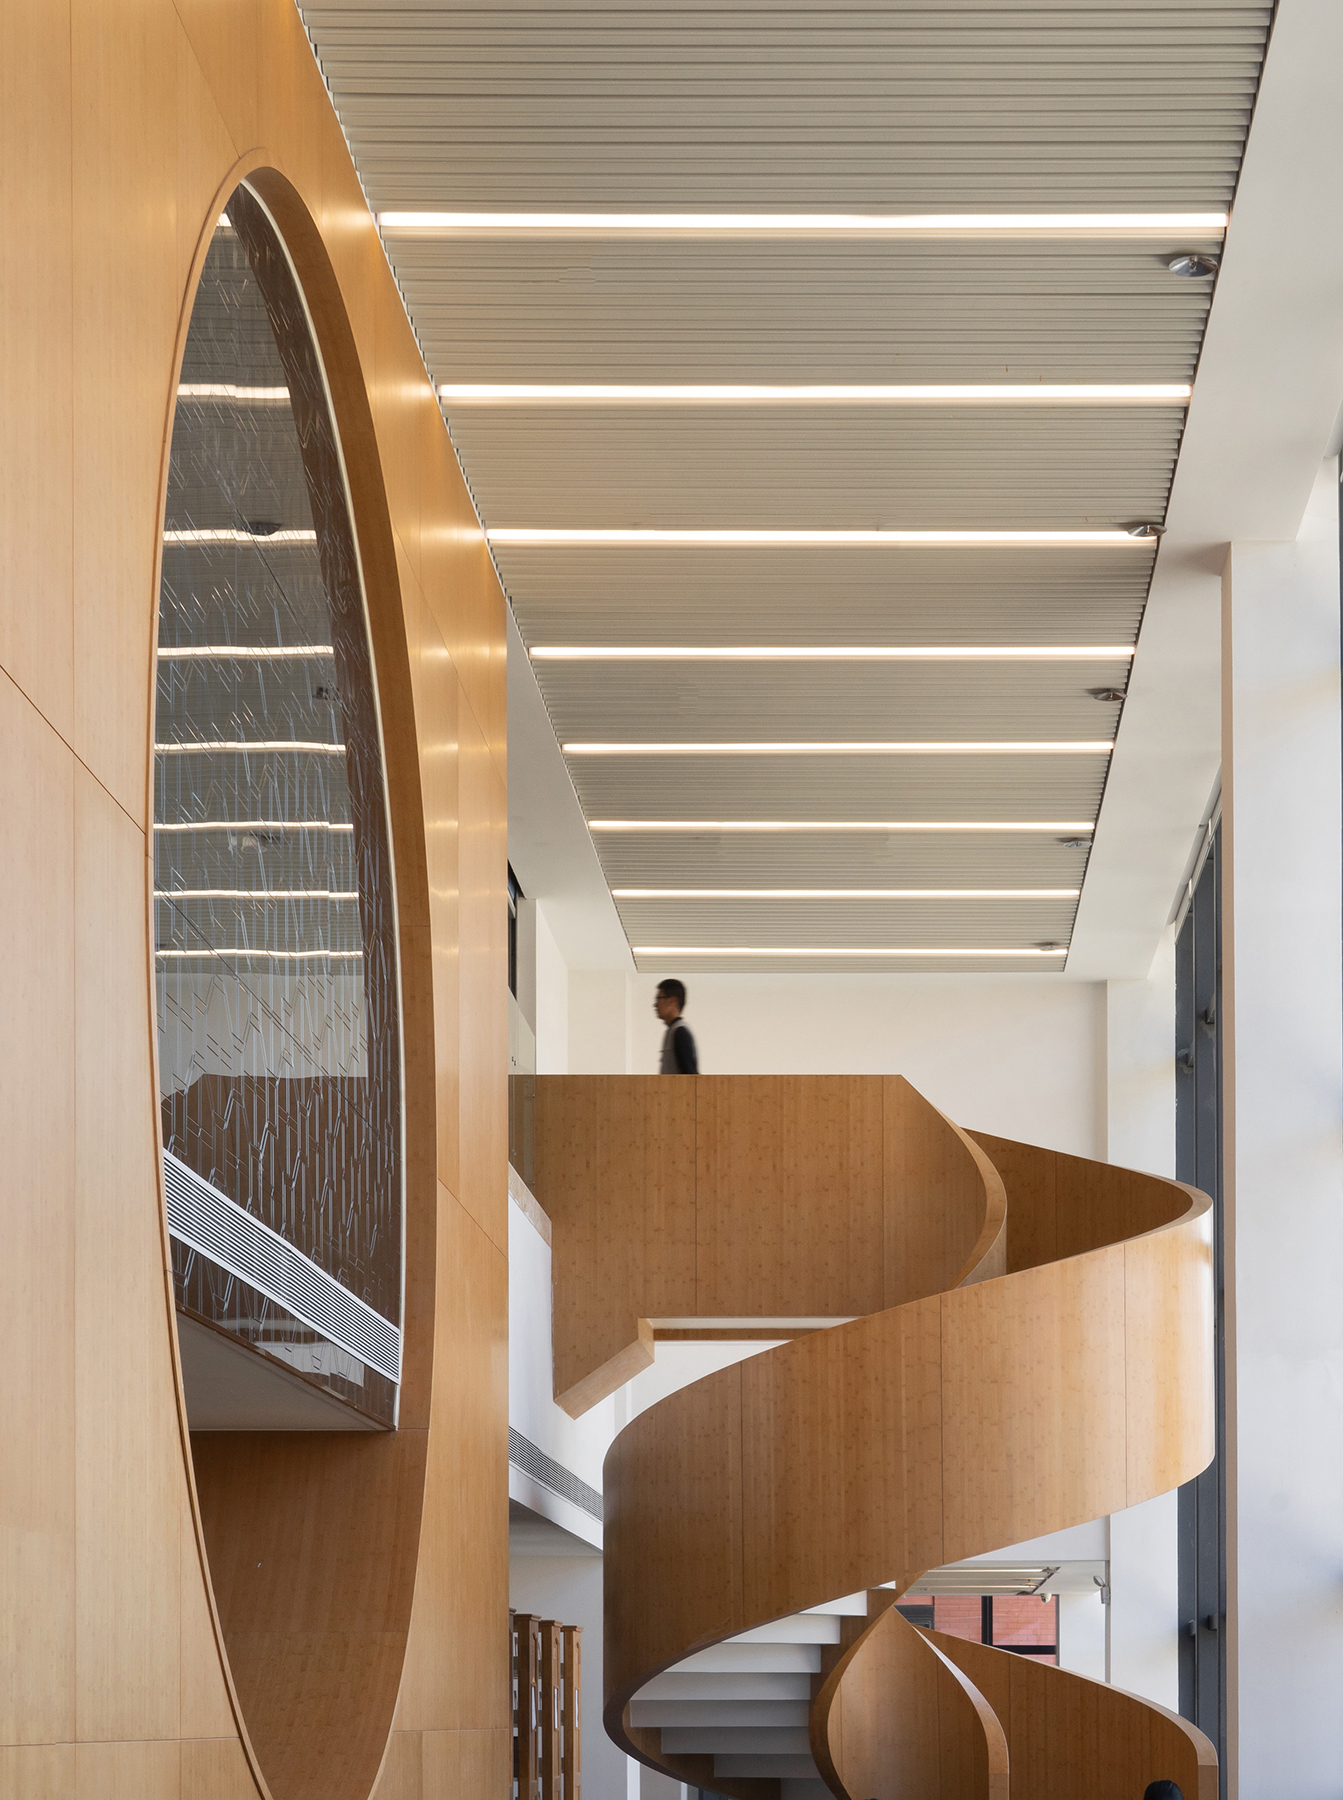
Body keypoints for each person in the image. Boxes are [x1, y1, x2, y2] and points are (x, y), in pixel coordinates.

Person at [655, 978, 698, 1073]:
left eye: (658, 998)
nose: (655, 1004)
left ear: (672, 1001)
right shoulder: (672, 1031)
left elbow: (691, 1075)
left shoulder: (680, 1032)